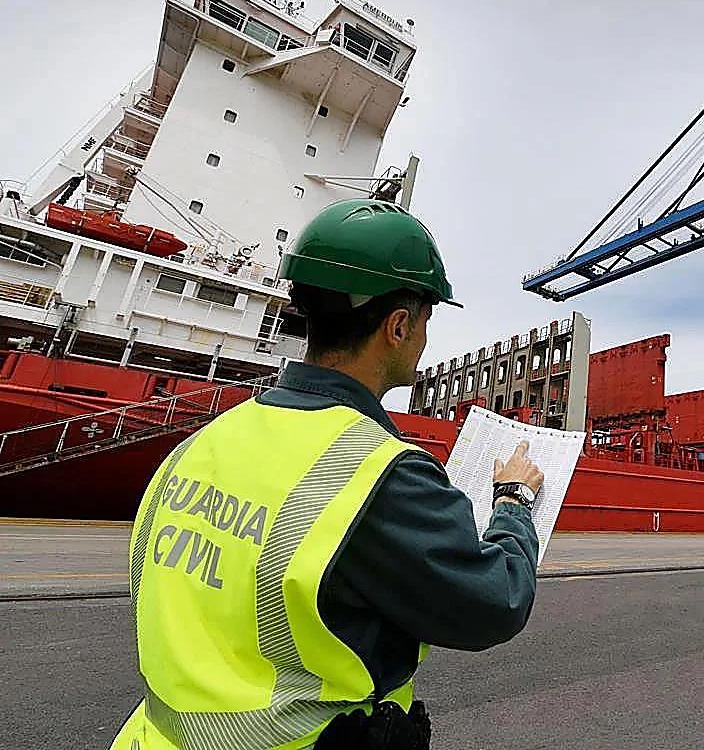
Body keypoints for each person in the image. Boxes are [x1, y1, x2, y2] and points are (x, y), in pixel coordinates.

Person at [110, 200, 544, 750]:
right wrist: (512, 501)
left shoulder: (203, 443)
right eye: (427, 322)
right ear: (400, 326)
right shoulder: (382, 473)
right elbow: (495, 602)